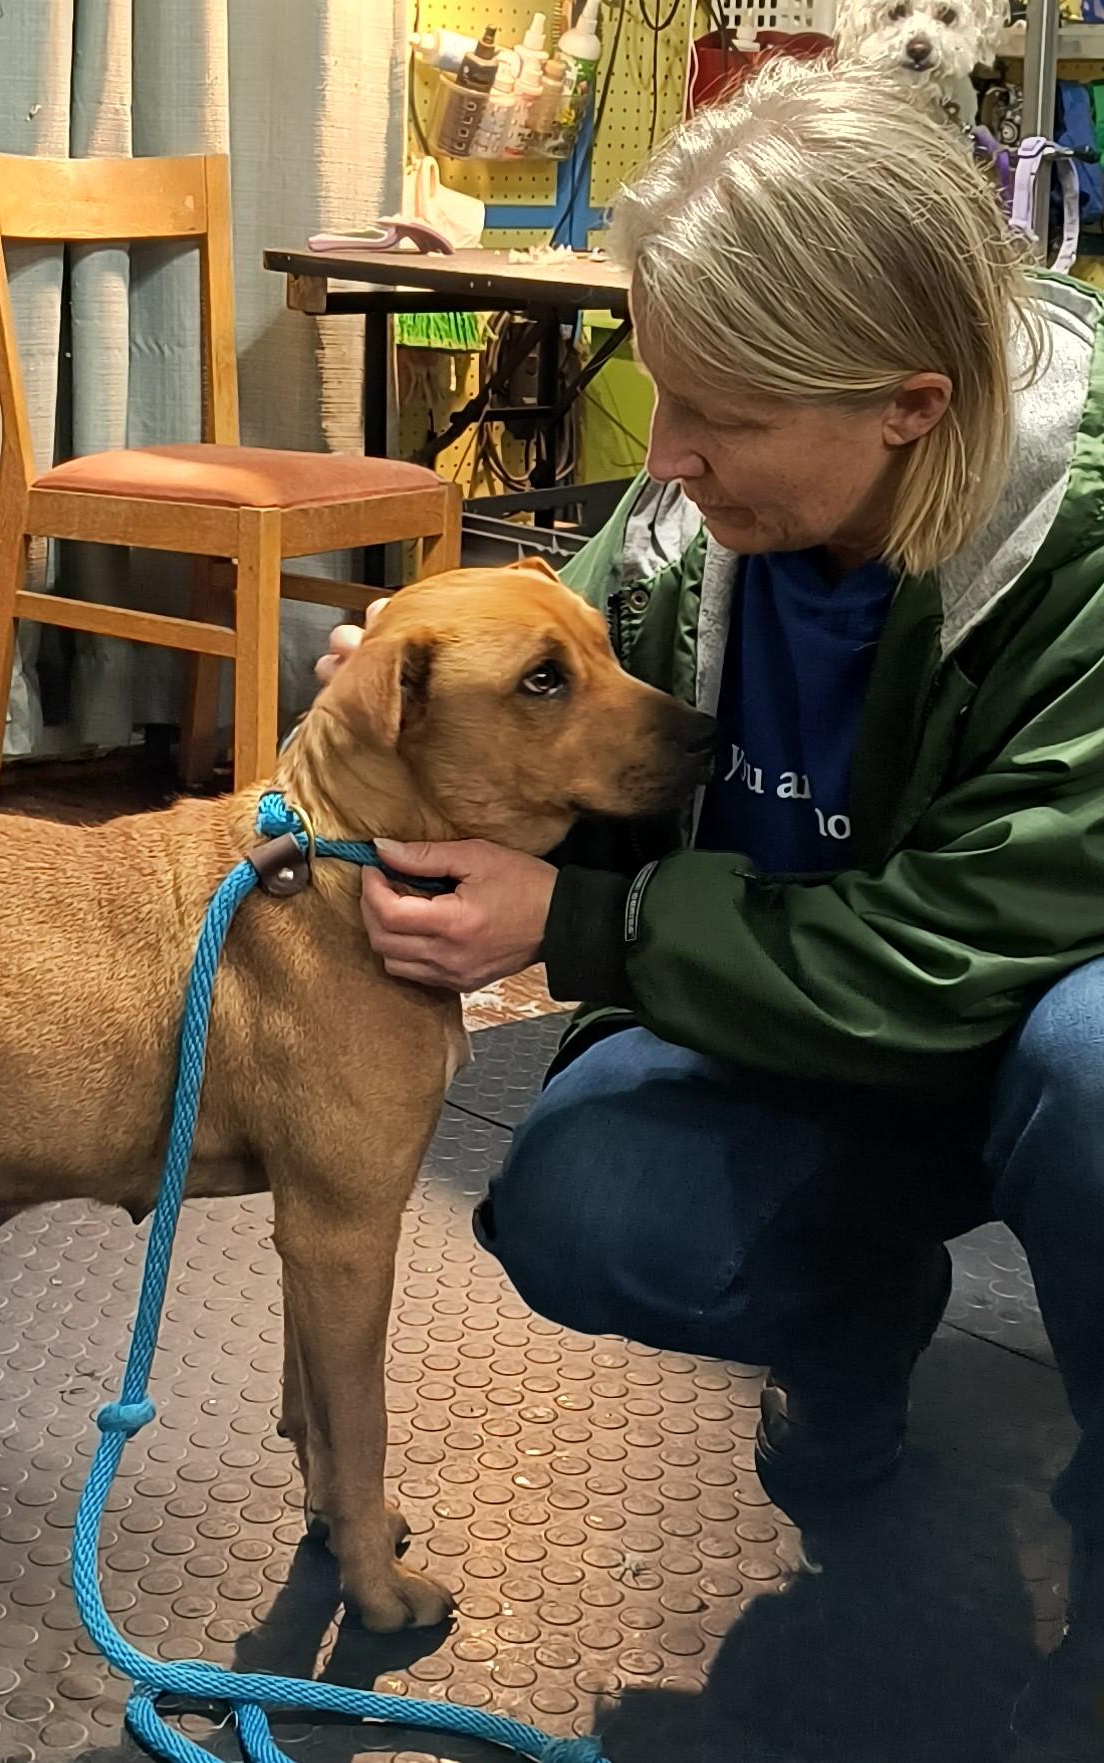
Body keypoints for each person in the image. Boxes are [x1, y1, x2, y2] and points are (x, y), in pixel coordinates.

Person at [319, 59, 1104, 1759]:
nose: (661, 459)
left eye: (718, 416)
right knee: (588, 1202)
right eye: (659, 390)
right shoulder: (700, 524)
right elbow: (565, 694)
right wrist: (419, 707)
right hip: (793, 1024)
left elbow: (955, 951)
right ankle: (857, 1316)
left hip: (1015, 1036)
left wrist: (578, 926)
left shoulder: (1086, 556)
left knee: (1099, 1062)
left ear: (907, 404)